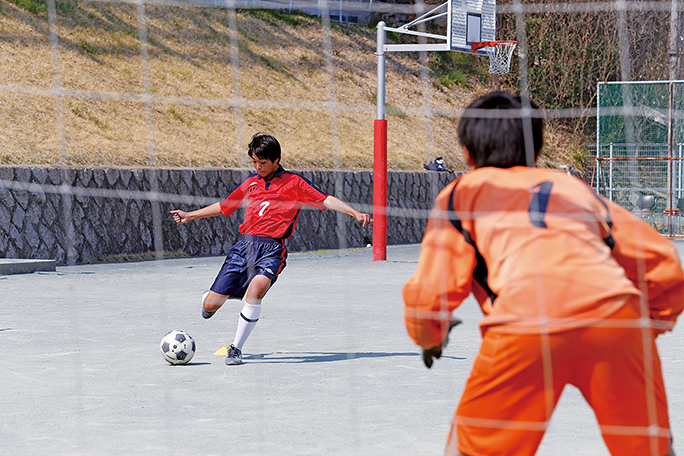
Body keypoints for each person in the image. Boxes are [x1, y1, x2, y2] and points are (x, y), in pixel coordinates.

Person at [402, 91, 683, 456]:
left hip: (524, 323)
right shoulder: (574, 190)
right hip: (616, 318)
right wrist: (648, 327)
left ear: (468, 154)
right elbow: (662, 261)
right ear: (536, 150)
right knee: (646, 449)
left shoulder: (461, 193)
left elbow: (430, 293)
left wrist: (429, 336)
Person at [171, 133, 372, 365]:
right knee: (210, 305)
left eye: (263, 162)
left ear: (276, 160)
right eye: (254, 162)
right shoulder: (251, 184)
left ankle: (235, 348)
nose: (258, 167)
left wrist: (354, 213)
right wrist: (190, 215)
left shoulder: (294, 183)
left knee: (256, 291)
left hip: (272, 250)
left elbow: (326, 199)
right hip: (244, 247)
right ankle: (215, 297)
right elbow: (224, 206)